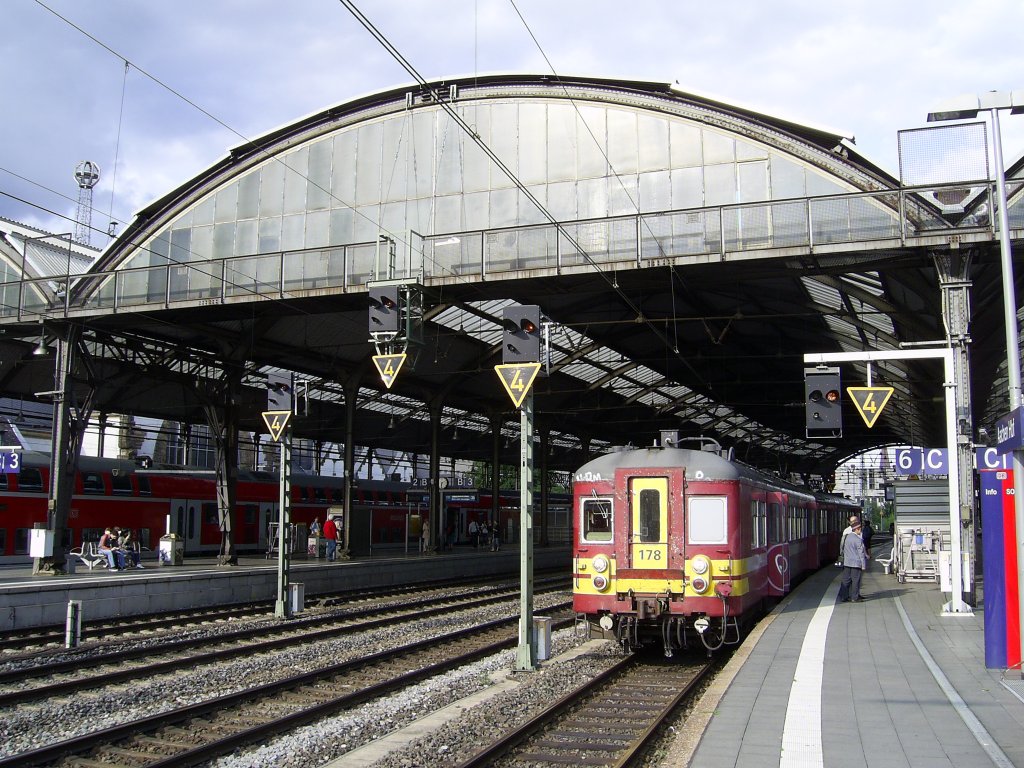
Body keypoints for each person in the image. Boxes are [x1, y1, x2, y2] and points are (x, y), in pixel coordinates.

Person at [838, 519, 869, 602]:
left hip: (847, 563)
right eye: (860, 529)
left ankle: (844, 597)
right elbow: (861, 554)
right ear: (857, 529)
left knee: (846, 580)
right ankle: (855, 597)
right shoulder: (858, 540)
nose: (860, 531)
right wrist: (863, 565)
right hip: (856, 563)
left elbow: (842, 548)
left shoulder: (847, 537)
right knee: (856, 580)